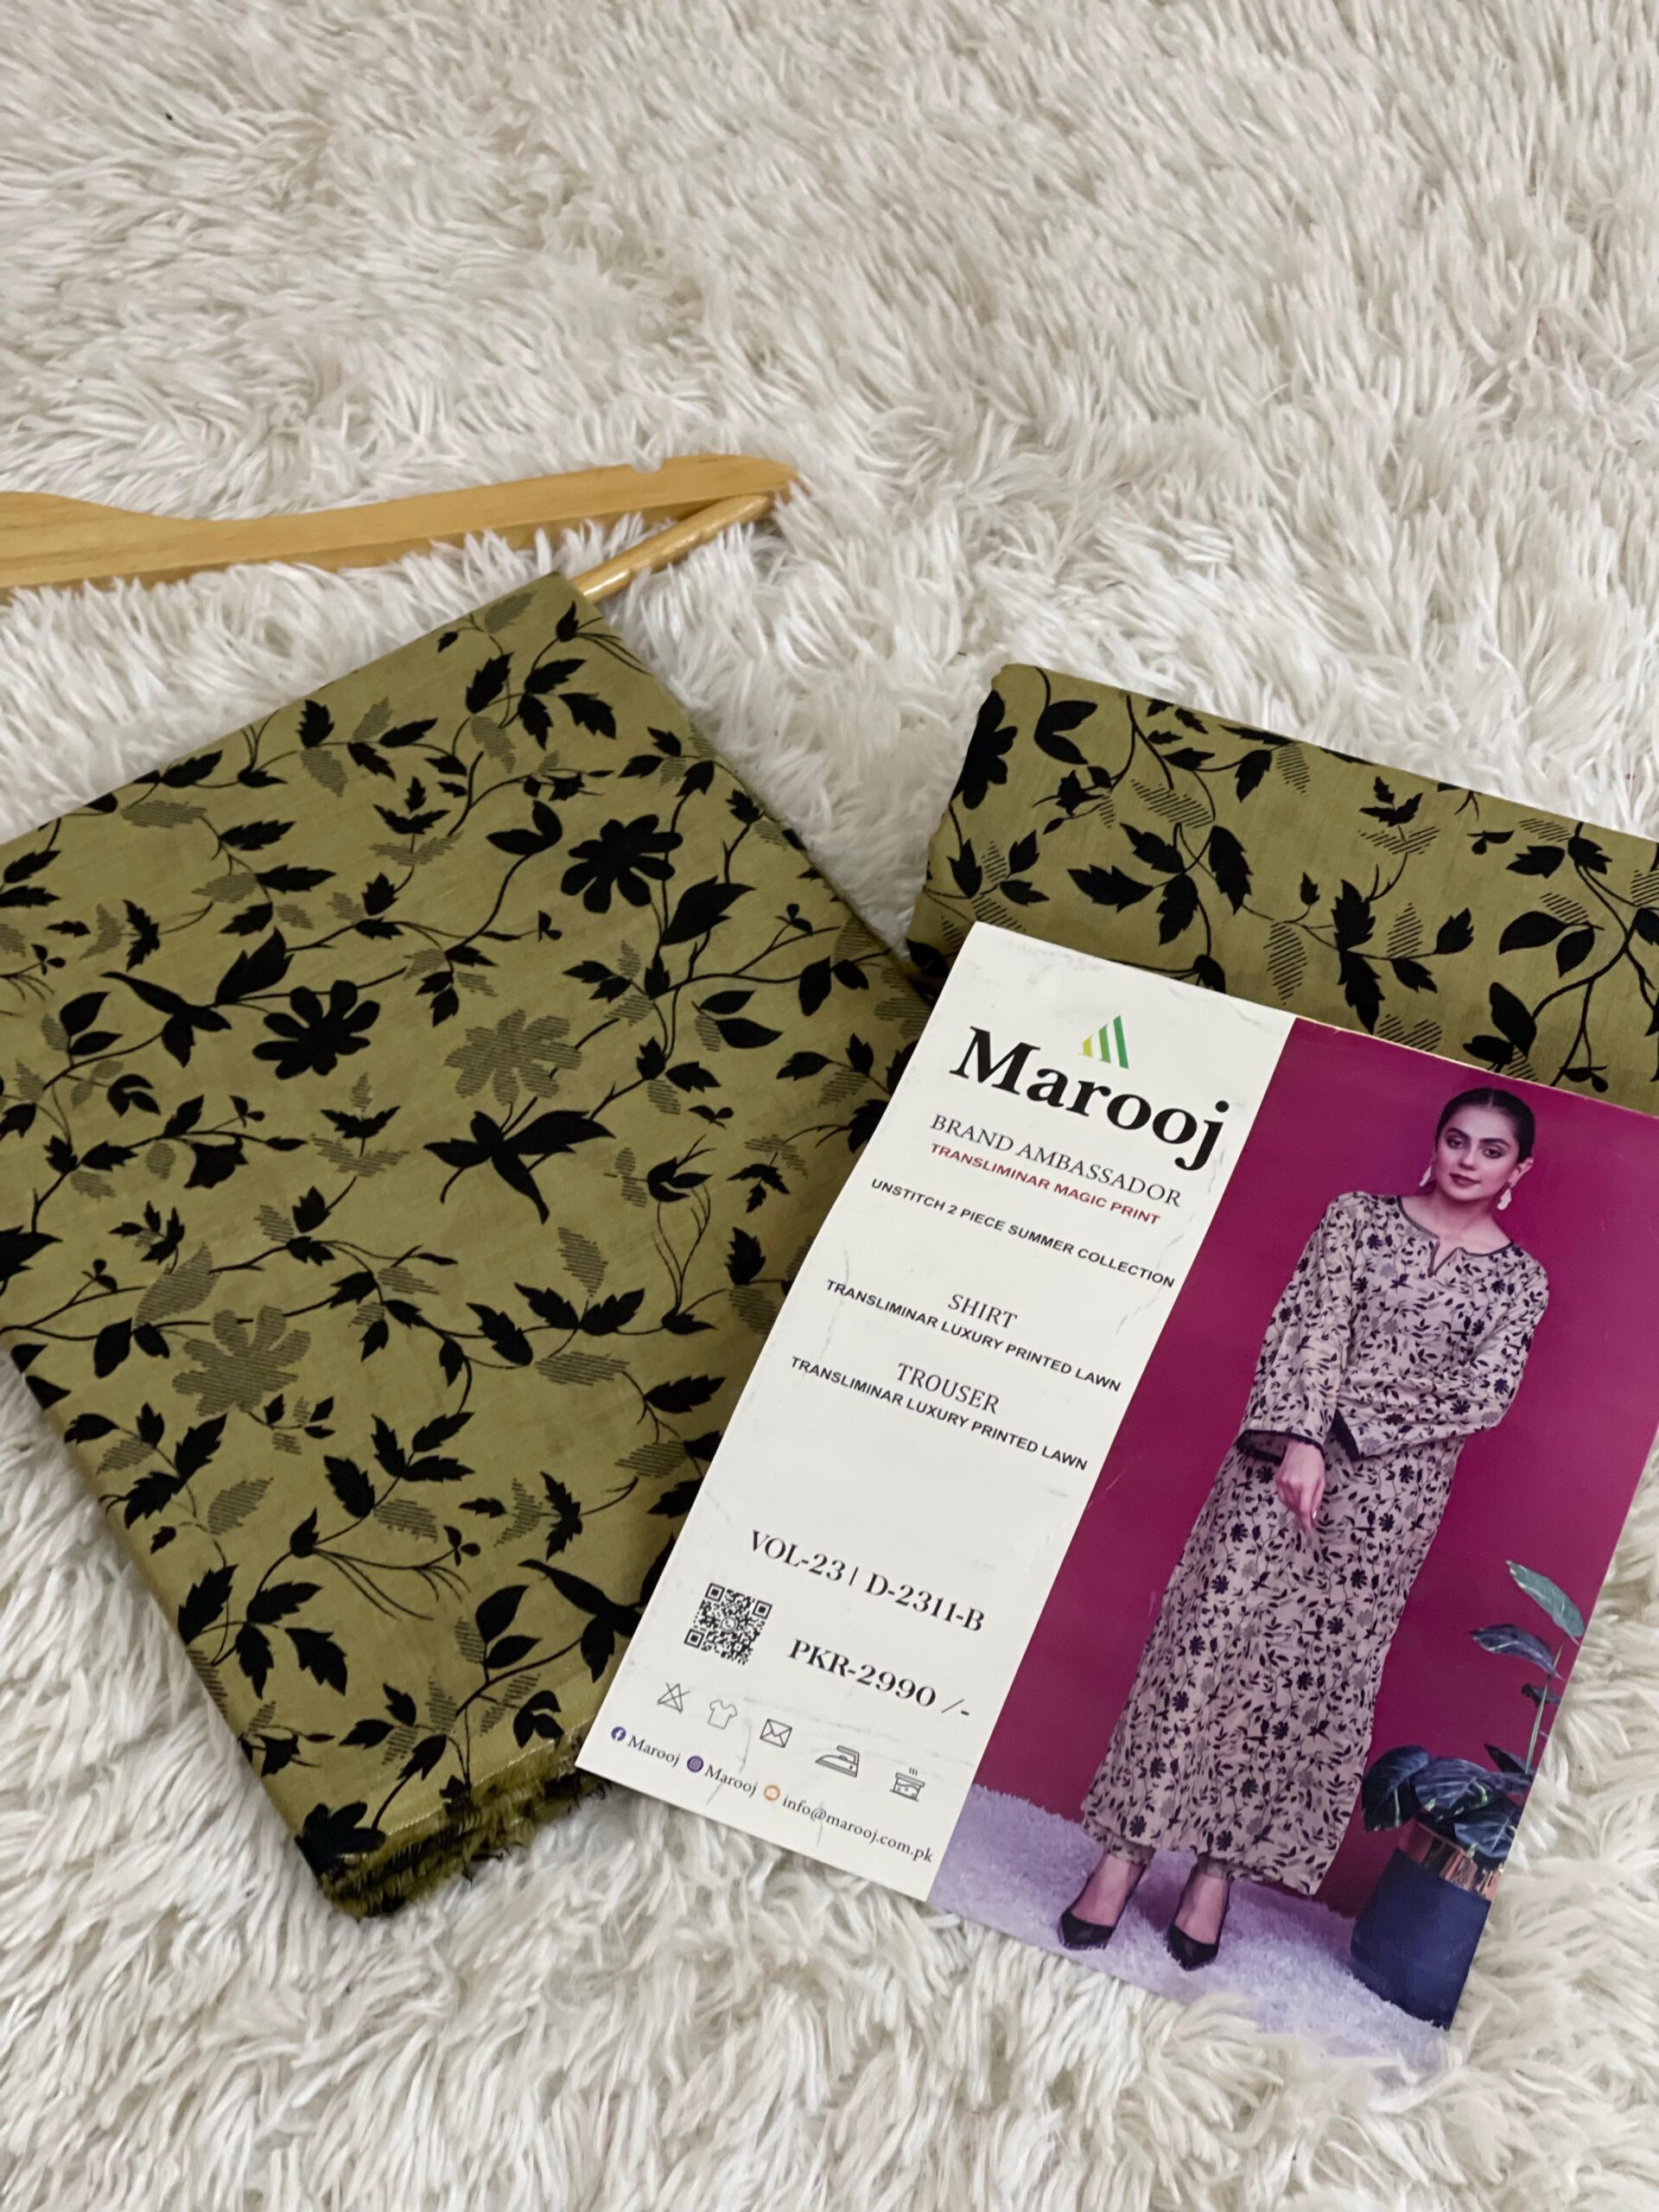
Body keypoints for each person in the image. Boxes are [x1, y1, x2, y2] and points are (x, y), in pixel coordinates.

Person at [1060, 1086, 1548, 1969]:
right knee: (1204, 1647)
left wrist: (1353, 1428)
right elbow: (1309, 1329)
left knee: (1300, 1680)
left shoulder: (1522, 1280)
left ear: (1519, 1169)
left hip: (1391, 1502)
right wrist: (1303, 1440)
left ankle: (1217, 1872)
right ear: (1435, 1143)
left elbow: (1484, 1392)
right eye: (1456, 1140)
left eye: (1491, 1149)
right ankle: (1123, 1854)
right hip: (1278, 1462)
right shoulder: (1356, 1219)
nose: (1468, 1160)